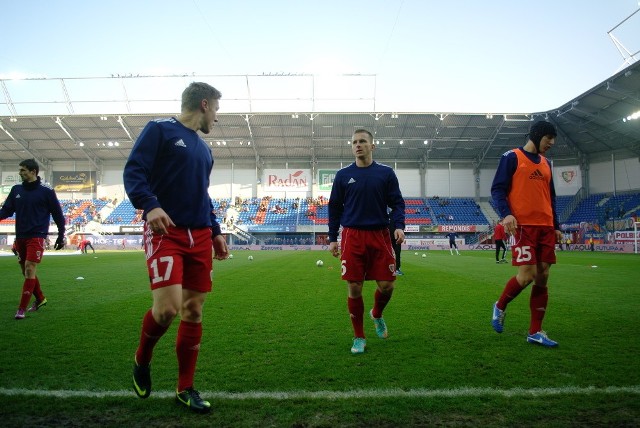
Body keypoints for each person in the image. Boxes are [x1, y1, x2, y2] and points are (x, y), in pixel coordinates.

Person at [123, 82, 229, 414]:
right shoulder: (160, 130)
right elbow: (134, 171)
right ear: (204, 104)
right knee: (167, 309)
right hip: (165, 232)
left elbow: (203, 194)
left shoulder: (205, 149)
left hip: (199, 237)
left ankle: (186, 388)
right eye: (217, 109)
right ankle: (142, 357)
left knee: (193, 310)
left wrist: (215, 231)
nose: (217, 116)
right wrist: (150, 204)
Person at [328, 128, 405, 354]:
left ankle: (377, 314)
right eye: (354, 142)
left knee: (387, 285)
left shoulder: (386, 173)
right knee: (354, 286)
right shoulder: (343, 175)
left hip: (380, 234)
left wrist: (399, 225)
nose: (358, 145)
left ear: (373, 146)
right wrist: (333, 238)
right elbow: (334, 207)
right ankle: (359, 337)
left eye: (362, 141)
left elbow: (398, 203)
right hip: (352, 236)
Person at [490, 120, 562, 348]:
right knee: (527, 275)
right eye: (548, 137)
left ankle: (535, 331)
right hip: (523, 227)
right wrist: (506, 214)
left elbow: (551, 198)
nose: (551, 143)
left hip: (546, 227)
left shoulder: (547, 163)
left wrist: (557, 225)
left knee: (543, 275)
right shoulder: (511, 157)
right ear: (538, 135)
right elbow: (497, 190)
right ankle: (500, 305)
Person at [0, 158, 66, 320]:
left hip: (37, 236)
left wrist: (61, 235)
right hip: (21, 236)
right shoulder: (16, 190)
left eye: (23, 170)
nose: (20, 173)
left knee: (29, 268)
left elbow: (58, 215)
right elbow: (6, 211)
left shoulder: (47, 191)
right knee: (26, 272)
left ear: (33, 171)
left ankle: (21, 309)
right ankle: (41, 298)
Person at [389, 210, 403, 275]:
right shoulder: (385, 213)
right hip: (389, 238)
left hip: (396, 237)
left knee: (397, 253)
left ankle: (397, 269)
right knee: (390, 254)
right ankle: (392, 269)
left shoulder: (398, 214)